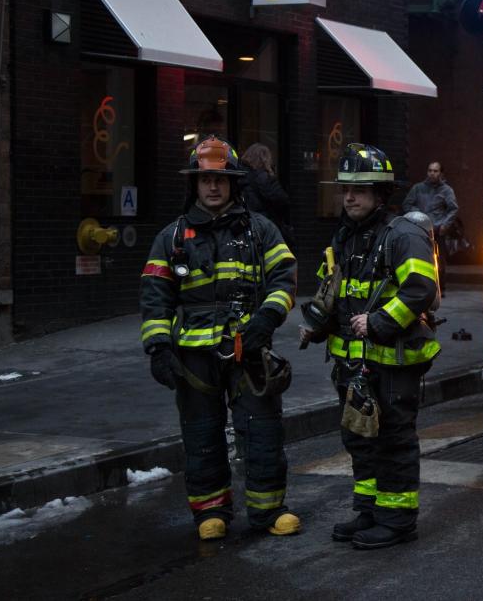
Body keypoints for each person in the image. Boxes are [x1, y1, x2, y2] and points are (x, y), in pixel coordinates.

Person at [139, 136, 300, 541]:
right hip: (193, 357)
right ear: (194, 184)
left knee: (261, 428)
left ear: (233, 183)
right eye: (205, 179)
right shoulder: (171, 238)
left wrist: (267, 318)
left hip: (248, 346)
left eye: (221, 179)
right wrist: (158, 347)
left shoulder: (260, 230)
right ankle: (210, 512)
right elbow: (154, 297)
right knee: (201, 432)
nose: (213, 187)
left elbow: (285, 277)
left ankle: (268, 511)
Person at [300, 143, 440, 550]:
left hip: (394, 363)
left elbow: (420, 290)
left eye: (360, 190)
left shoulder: (403, 235)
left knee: (393, 440)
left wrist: (378, 322)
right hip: (352, 366)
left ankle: (397, 520)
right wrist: (317, 325)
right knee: (359, 438)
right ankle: (370, 511)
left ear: (382, 193)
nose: (349, 197)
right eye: (346, 189)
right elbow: (335, 292)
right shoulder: (345, 237)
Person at [402, 161, 459, 294]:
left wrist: (446, 224)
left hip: (438, 231)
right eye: (430, 171)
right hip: (420, 230)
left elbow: (453, 209)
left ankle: (440, 288)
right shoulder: (418, 188)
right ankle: (420, 287)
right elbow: (407, 205)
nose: (432, 173)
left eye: (435, 171)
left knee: (439, 261)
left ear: (441, 173)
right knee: (419, 259)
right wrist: (417, 215)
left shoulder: (446, 190)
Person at [240, 143, 296, 254]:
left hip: (244, 226)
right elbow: (282, 200)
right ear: (265, 159)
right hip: (264, 227)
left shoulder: (239, 176)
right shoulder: (263, 177)